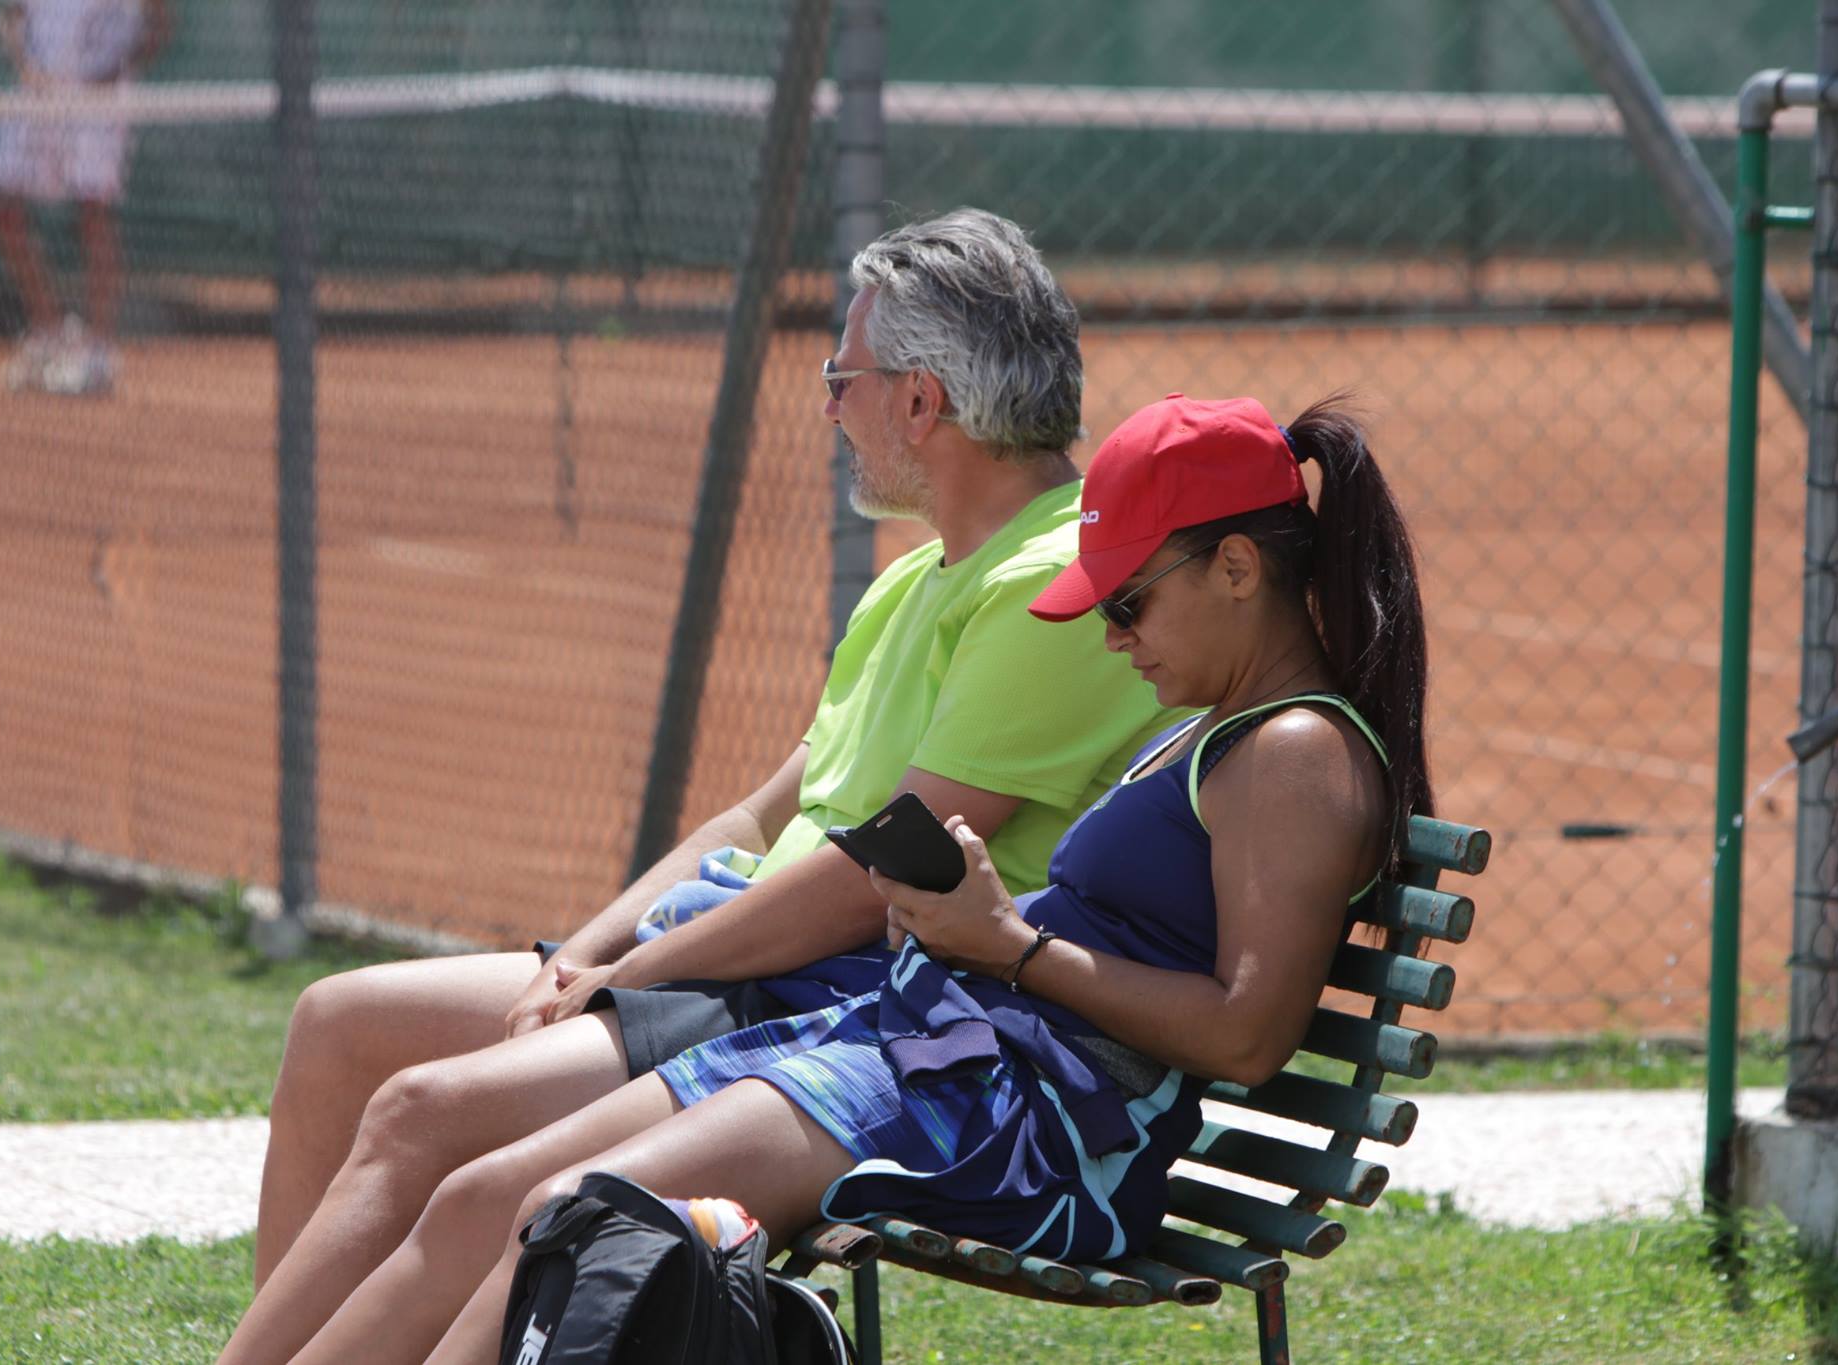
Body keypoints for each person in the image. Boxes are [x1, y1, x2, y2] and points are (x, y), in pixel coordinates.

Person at [234, 389, 1435, 1364]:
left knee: (567, 1212)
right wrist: (983, 937)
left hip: (1013, 1120)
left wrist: (1008, 945)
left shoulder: (1296, 753)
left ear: (1235, 567)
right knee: (486, 1192)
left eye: (1129, 604)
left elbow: (1243, 1036)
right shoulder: (1216, 725)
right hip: (928, 1050)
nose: (1115, 640)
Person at [219, 208, 1184, 1363]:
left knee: (435, 1119)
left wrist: (630, 972)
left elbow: (867, 874)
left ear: (921, 404)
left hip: (815, 985)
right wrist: (581, 954)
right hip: (737, 954)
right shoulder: (920, 576)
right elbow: (755, 819)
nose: (831, 409)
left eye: (844, 379)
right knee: (341, 1025)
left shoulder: (1051, 586)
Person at [0, 0, 171, 395]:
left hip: (99, 101)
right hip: (37, 95)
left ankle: (99, 354)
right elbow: (9, 16)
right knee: (2, 211)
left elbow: (160, 22)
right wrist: (26, 65)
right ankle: (49, 332)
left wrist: (115, 71)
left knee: (94, 213)